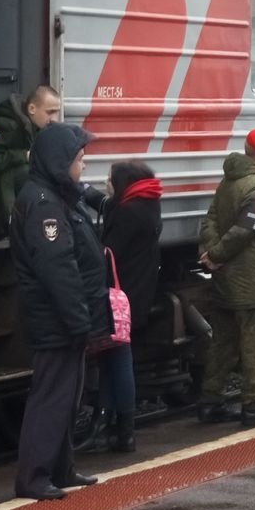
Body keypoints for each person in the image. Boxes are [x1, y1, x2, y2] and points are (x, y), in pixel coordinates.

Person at [10, 123, 106, 499]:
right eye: (79, 160)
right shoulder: (44, 205)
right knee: (51, 396)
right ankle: (33, 477)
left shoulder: (57, 197)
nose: (83, 167)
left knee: (67, 395)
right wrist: (80, 321)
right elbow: (59, 270)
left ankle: (62, 469)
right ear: (59, 161)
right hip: (56, 320)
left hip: (63, 319)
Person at [197, 128, 255, 426]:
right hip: (252, 277)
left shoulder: (229, 179)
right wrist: (219, 254)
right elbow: (247, 228)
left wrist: (210, 252)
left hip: (224, 277)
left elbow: (211, 218)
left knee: (222, 341)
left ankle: (210, 402)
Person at [90, 160, 163, 454]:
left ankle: (121, 431)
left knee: (117, 360)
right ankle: (118, 429)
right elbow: (109, 205)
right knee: (117, 358)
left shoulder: (126, 212)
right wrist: (89, 195)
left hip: (120, 297)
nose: (106, 183)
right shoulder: (148, 204)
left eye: (110, 179)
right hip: (138, 292)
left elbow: (108, 251)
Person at [0, 84, 62, 236]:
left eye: (57, 112)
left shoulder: (37, 127)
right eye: (50, 112)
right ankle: (14, 224)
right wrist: (24, 156)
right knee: (24, 171)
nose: (54, 119)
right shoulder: (9, 126)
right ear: (32, 109)